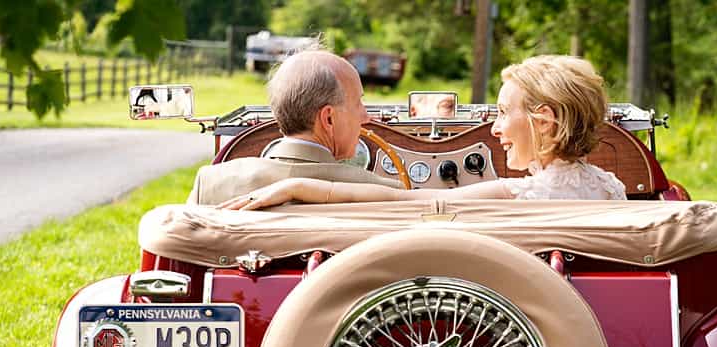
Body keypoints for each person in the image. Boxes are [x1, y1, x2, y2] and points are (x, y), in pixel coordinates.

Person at [218, 55, 626, 210]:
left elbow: (405, 199)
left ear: (545, 121)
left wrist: (296, 188)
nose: (495, 129)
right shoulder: (613, 191)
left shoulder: (518, 195)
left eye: (502, 113)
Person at [188, 43, 402, 205]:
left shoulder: (209, 184)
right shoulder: (383, 194)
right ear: (328, 119)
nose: (366, 117)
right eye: (358, 103)